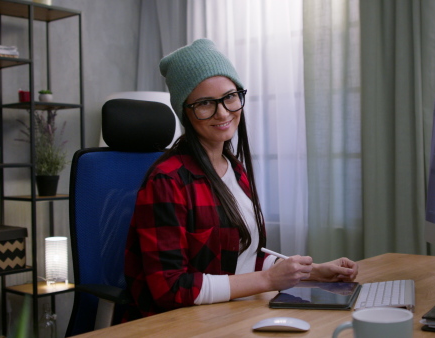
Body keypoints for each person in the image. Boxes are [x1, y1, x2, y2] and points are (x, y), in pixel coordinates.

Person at [124, 38, 358, 320]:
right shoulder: (166, 182)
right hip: (180, 323)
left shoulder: (233, 169)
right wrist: (269, 280)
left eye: (230, 97)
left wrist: (312, 271)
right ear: (185, 112)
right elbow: (170, 288)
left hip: (229, 313)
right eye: (205, 103)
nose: (222, 112)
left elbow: (239, 256)